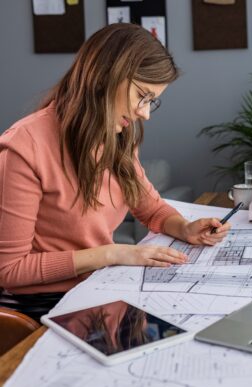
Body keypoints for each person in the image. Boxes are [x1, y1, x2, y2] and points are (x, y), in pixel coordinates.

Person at [0, 24, 231, 319]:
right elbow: (10, 270)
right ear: (107, 74)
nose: (144, 113)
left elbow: (151, 208)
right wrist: (113, 253)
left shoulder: (116, 135)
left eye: (151, 102)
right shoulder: (24, 146)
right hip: (41, 308)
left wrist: (184, 228)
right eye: (142, 96)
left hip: (95, 289)